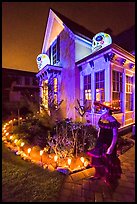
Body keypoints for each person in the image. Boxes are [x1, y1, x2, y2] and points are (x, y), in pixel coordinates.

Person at [87, 101, 122, 190]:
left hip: (108, 143)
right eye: (101, 108)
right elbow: (100, 129)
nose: (101, 109)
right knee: (97, 159)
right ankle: (98, 174)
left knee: (108, 161)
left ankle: (109, 179)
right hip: (100, 142)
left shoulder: (112, 120)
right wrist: (98, 137)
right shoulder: (102, 117)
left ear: (108, 110)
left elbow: (115, 135)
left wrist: (111, 147)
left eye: (103, 108)